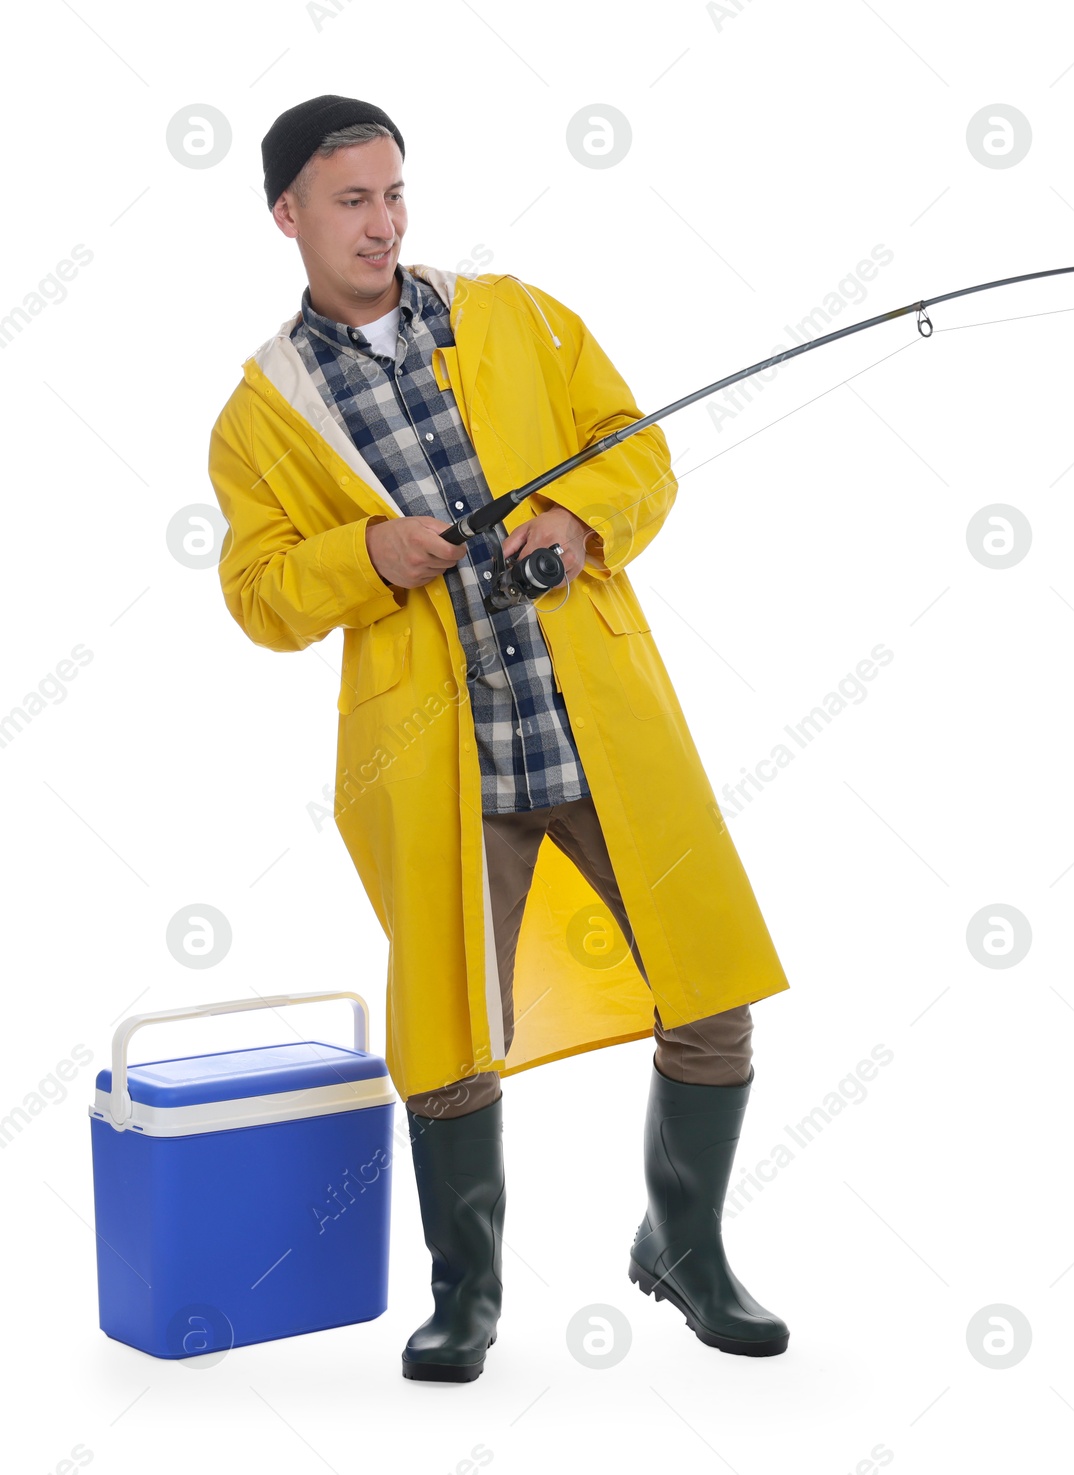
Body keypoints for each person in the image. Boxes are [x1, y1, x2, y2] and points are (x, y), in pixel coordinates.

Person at [208, 94, 791, 1380]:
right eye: (351, 200)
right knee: (447, 1032)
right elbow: (258, 593)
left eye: (394, 192)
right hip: (439, 765)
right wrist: (370, 553)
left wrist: (578, 524)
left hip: (595, 737)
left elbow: (634, 448)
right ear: (287, 215)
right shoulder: (262, 410)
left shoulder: (515, 314)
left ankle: (684, 1247)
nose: (382, 222)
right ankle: (464, 1293)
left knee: (710, 995)